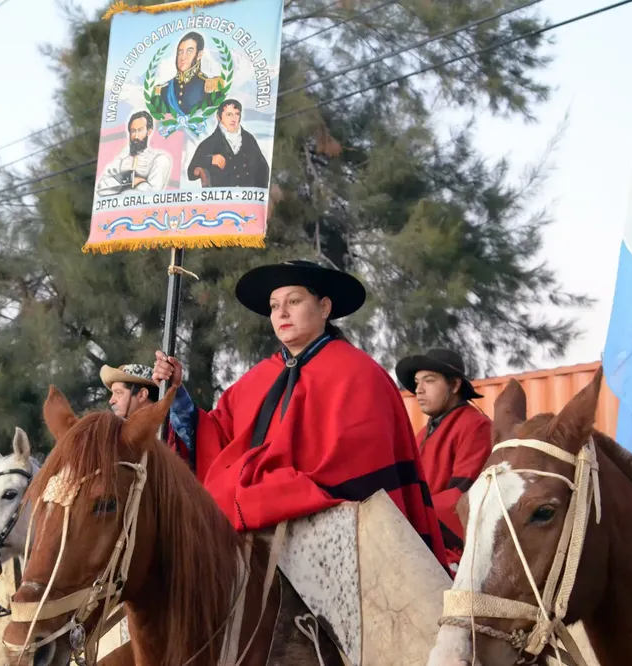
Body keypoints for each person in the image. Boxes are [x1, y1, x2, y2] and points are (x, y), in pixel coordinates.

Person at [153, 259, 448, 567]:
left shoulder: (360, 374)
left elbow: (361, 466)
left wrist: (278, 488)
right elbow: (217, 440)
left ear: (324, 307)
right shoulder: (255, 379)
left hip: (336, 534)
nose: (281, 313)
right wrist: (176, 396)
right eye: (274, 305)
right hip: (251, 518)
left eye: (293, 301)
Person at [395, 348, 492, 571]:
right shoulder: (422, 433)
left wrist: (410, 518)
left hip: (452, 548)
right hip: (419, 534)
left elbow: (464, 495)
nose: (418, 390)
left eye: (429, 381)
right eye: (417, 382)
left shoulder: (476, 426)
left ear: (455, 385)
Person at [187, 99, 269, 188]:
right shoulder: (209, 143)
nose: (233, 119)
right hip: (220, 199)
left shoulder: (248, 139)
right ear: (219, 117)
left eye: (237, 114)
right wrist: (210, 160)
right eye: (229, 115)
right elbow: (191, 172)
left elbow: (263, 167)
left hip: (247, 198)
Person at [96, 110, 171, 197]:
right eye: (133, 131)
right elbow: (100, 188)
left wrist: (119, 185)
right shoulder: (120, 162)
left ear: (149, 131)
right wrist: (133, 181)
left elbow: (153, 192)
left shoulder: (159, 159)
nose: (136, 136)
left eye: (140, 130)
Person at [154, 31, 223, 116]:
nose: (183, 57)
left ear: (199, 55)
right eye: (180, 52)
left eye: (189, 51)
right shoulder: (163, 91)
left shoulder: (211, 87)